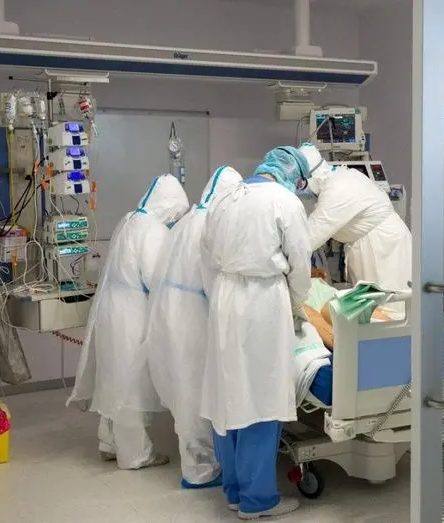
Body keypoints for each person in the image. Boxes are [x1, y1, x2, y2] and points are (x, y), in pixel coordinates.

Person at [201, 147, 311, 519]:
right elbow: (300, 263)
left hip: (224, 298)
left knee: (228, 394)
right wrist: (297, 305)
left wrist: (219, 296)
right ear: (295, 176)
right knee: (262, 397)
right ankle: (258, 500)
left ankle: (234, 491)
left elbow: (206, 256)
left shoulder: (225, 199)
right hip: (263, 300)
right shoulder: (285, 201)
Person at [68, 173, 190, 469]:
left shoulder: (130, 219)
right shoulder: (153, 230)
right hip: (131, 314)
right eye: (177, 213)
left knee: (113, 378)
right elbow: (156, 278)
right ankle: (135, 454)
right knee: (130, 384)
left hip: (112, 309)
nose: (175, 219)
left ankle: (109, 442)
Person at [142, 165, 242, 488]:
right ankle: (200, 470)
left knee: (184, 388)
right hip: (192, 319)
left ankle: (197, 461)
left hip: (169, 312)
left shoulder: (188, 220)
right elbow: (216, 283)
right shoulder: (211, 224)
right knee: (197, 391)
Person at [298, 143, 412, 296]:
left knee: (388, 302)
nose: (298, 189)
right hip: (374, 244)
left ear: (310, 176)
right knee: (373, 302)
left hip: (383, 248)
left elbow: (309, 238)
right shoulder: (340, 177)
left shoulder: (338, 188)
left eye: (298, 184)